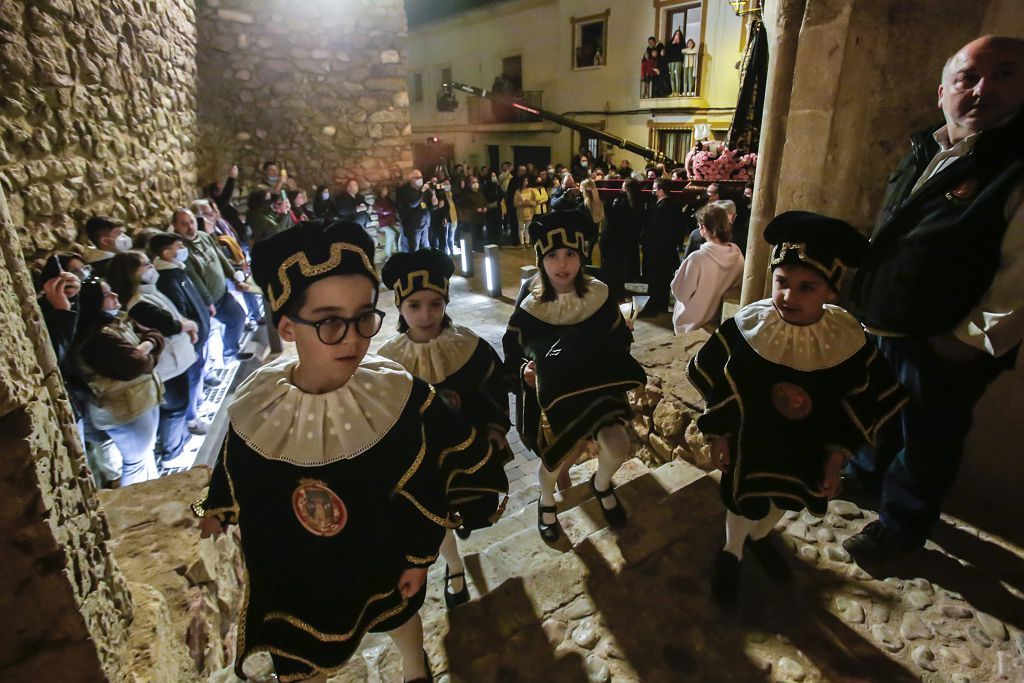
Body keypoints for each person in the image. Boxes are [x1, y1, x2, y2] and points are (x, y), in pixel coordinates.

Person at [195, 220, 502, 682]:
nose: (356, 337)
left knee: (399, 620)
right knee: (302, 651)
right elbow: (238, 466)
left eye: (363, 316)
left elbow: (427, 480)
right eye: (330, 321)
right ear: (287, 326)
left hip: (380, 551)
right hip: (302, 565)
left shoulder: (396, 394)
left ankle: (415, 670)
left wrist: (420, 559)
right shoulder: (258, 404)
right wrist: (215, 506)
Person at [844, 36, 1024, 561]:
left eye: (1006, 74)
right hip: (886, 322)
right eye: (969, 76)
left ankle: (898, 531)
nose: (983, 88)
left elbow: (1020, 278)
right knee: (876, 412)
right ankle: (861, 476)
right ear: (942, 90)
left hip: (942, 337)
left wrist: (966, 342)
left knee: (927, 438)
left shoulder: (1012, 167)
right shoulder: (925, 149)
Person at [687, 212, 907, 609]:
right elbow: (717, 378)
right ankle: (733, 550)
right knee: (745, 499)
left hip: (806, 446)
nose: (789, 297)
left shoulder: (845, 339)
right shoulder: (750, 325)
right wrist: (718, 433)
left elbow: (857, 402)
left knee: (785, 500)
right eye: (782, 283)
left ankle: (759, 538)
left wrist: (835, 458)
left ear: (831, 291)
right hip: (750, 439)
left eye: (807, 287)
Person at [377, 249, 511, 609]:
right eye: (415, 305)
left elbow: (490, 387)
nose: (425, 315)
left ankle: (461, 542)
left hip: (466, 446)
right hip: (421, 456)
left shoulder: (468, 346)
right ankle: (454, 566)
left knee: (460, 506)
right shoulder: (389, 360)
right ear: (400, 307)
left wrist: (496, 425)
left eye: (435, 304)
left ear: (445, 302)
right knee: (436, 515)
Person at [503, 211, 646, 543]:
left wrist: (623, 336)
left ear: (582, 255)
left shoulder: (599, 293)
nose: (562, 263)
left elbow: (618, 342)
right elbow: (513, 351)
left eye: (570, 254)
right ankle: (547, 500)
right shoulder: (531, 304)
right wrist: (522, 372)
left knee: (617, 442)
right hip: (554, 400)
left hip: (597, 390)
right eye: (552, 255)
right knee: (555, 460)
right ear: (541, 259)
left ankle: (601, 483)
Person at [107, 251, 198, 467]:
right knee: (175, 407)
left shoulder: (147, 292)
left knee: (179, 405)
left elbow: (171, 315)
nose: (151, 268)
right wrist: (189, 326)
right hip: (167, 365)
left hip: (175, 358)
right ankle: (171, 452)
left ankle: (179, 442)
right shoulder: (137, 302)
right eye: (145, 265)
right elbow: (166, 324)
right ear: (131, 273)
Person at [70, 278, 165, 486]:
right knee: (136, 463)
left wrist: (146, 346)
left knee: (144, 455)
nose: (115, 296)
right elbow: (136, 366)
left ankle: (153, 492)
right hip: (125, 409)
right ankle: (138, 507)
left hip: (139, 401)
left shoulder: (115, 322)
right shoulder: (97, 339)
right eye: (107, 295)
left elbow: (154, 334)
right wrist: (145, 351)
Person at [148, 232, 212, 438]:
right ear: (167, 253)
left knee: (197, 374)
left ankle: (196, 408)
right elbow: (180, 310)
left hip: (197, 335)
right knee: (191, 380)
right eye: (178, 246)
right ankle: (191, 420)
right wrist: (193, 330)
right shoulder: (166, 279)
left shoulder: (176, 271)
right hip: (190, 340)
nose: (182, 249)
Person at [170, 208, 249, 364]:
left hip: (222, 292)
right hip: (207, 301)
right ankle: (221, 359)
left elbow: (220, 258)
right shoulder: (180, 250)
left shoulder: (204, 237)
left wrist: (235, 278)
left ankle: (230, 351)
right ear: (175, 226)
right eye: (184, 224)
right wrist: (207, 301)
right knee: (210, 334)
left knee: (238, 317)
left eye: (191, 221)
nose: (190, 226)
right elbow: (193, 276)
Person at [670, 204, 744, 334]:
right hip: (716, 320)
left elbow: (680, 294)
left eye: (699, 226)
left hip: (691, 324)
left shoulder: (697, 259)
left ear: (703, 228)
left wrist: (679, 273)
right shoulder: (737, 255)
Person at [639, 179, 682, 317]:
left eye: (654, 188)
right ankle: (662, 305)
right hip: (667, 250)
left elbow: (655, 231)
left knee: (654, 280)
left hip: (657, 251)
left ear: (660, 191)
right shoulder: (674, 206)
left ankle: (652, 308)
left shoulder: (661, 209)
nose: (652, 190)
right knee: (663, 280)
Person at [600, 179, 645, 302]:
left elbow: (613, 217)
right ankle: (620, 295)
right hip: (628, 241)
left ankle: (616, 296)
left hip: (615, 241)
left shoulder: (620, 202)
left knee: (614, 271)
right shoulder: (639, 202)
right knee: (622, 270)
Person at [396, 169, 436, 252]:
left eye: (421, 177)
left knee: (425, 249)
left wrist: (434, 204)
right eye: (417, 177)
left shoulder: (422, 191)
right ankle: (414, 265)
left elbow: (426, 207)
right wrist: (422, 191)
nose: (420, 179)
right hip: (413, 226)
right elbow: (413, 204)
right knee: (414, 250)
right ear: (411, 179)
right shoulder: (405, 190)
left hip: (424, 225)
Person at [455, 175, 487, 252]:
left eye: (476, 182)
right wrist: (476, 209)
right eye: (473, 182)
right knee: (473, 235)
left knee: (480, 234)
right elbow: (466, 205)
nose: (475, 184)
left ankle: (479, 248)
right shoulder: (466, 194)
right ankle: (473, 250)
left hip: (481, 217)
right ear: (469, 184)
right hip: (471, 219)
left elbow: (484, 202)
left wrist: (485, 207)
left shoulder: (480, 192)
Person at [512, 175, 538, 248]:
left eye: (526, 181)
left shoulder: (531, 190)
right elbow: (515, 203)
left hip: (529, 212)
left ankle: (527, 242)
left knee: (528, 228)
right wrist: (522, 203)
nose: (525, 182)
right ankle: (522, 243)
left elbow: (535, 202)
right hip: (520, 212)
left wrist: (530, 203)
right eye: (524, 181)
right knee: (521, 228)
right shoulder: (517, 192)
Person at [667, 29, 685, 96]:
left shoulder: (682, 43)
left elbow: (682, 51)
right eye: (676, 34)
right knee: (672, 76)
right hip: (671, 61)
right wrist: (673, 42)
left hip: (678, 61)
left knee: (677, 76)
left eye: (678, 34)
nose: (677, 35)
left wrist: (678, 42)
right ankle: (673, 92)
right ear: (674, 35)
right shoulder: (670, 43)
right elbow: (668, 50)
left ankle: (678, 92)